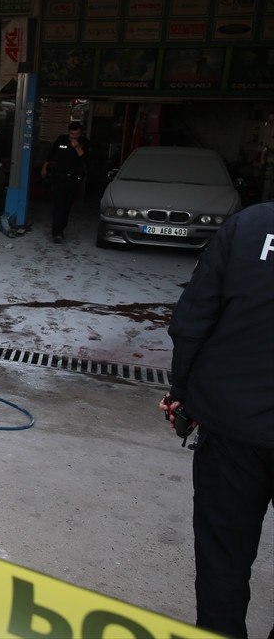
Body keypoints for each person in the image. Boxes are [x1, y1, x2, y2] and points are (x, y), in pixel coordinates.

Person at [161, 201, 274, 639]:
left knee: (223, 558)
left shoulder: (250, 227)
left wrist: (181, 394)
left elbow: (192, 320)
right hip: (232, 424)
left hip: (231, 425)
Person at [41, 120, 90, 243]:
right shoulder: (61, 140)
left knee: (67, 206)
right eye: (72, 134)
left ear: (81, 133)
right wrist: (44, 167)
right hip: (59, 177)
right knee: (59, 204)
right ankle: (57, 233)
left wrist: (77, 147)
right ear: (68, 132)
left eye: (77, 134)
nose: (74, 136)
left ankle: (61, 228)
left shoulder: (84, 142)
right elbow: (51, 153)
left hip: (74, 179)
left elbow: (86, 159)